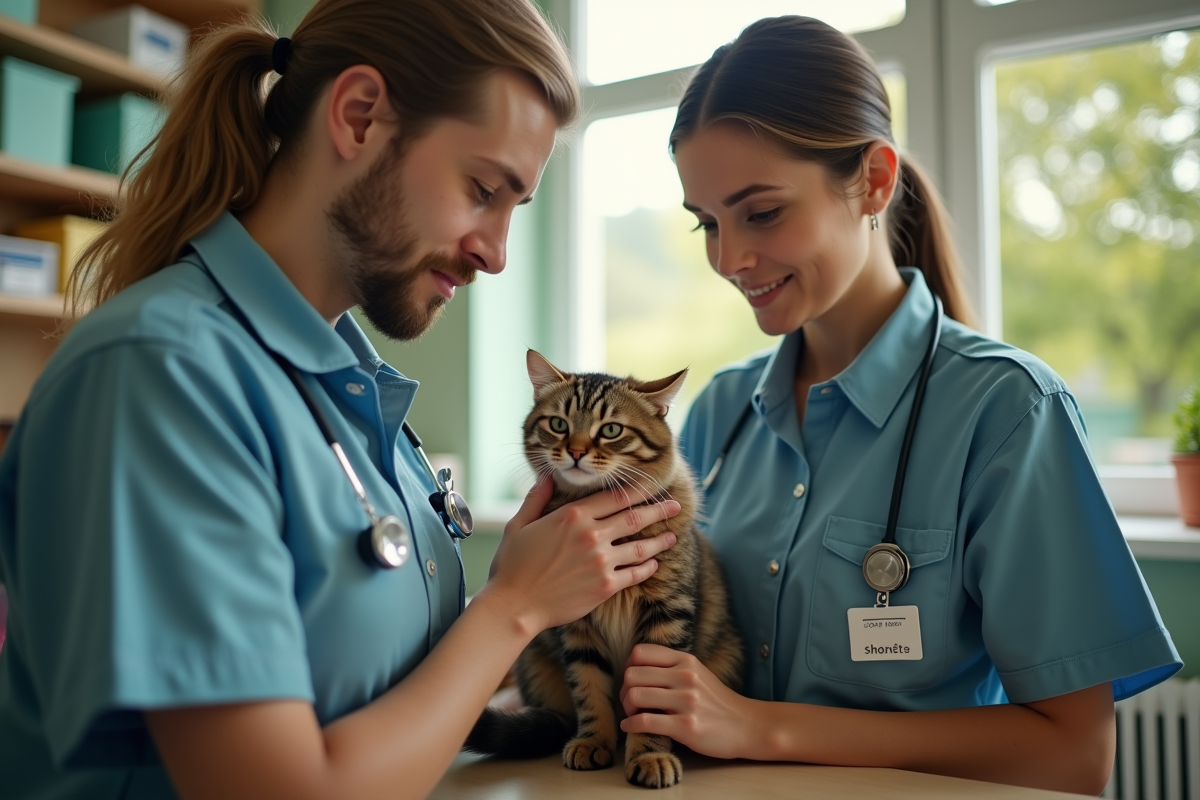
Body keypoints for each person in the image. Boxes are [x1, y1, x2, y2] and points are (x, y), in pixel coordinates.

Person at [0, 1, 681, 798]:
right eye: (482, 189)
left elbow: (377, 687)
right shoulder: (159, 374)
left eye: (514, 210)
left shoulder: (350, 388)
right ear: (359, 116)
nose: (496, 254)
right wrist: (513, 608)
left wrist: (530, 597)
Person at [617, 16, 1182, 795]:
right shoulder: (719, 412)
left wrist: (762, 728)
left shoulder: (1008, 412)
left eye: (762, 212)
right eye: (707, 223)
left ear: (875, 182)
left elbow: (1075, 756)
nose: (729, 258)